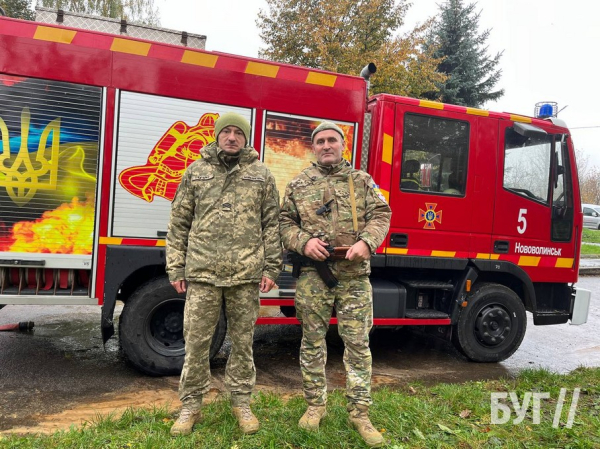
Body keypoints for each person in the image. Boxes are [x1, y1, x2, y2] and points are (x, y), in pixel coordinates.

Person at [166, 112, 282, 436]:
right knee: (196, 344)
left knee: (243, 343)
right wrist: (176, 266)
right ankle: (191, 406)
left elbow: (271, 224)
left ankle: (241, 402)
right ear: (217, 136)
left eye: (238, 133)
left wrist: (272, 267)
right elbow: (178, 223)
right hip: (203, 273)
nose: (232, 137)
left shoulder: (261, 175)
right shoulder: (196, 172)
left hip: (245, 275)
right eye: (226, 132)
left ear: (246, 138)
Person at [279, 121, 391, 447]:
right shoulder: (299, 184)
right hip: (314, 275)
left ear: (343, 145)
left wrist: (367, 243)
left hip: (354, 276)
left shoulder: (361, 181)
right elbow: (284, 222)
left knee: (357, 344)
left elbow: (381, 214)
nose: (326, 145)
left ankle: (360, 412)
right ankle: (315, 405)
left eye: (332, 140)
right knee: (312, 341)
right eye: (320, 141)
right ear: (313, 147)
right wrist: (303, 242)